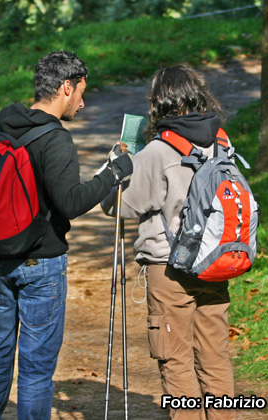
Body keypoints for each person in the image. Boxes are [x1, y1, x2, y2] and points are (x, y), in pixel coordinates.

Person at [0, 50, 133, 420]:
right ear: (66, 87)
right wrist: (113, 174)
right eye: (81, 93)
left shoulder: (0, 122)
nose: (83, 103)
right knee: (35, 371)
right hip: (42, 263)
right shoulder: (56, 139)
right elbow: (69, 204)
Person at [102, 64, 235, 420]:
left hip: (169, 269)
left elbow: (118, 207)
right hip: (214, 262)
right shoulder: (221, 141)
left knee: (175, 362)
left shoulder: (158, 152)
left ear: (158, 103)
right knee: (215, 358)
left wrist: (117, 164)